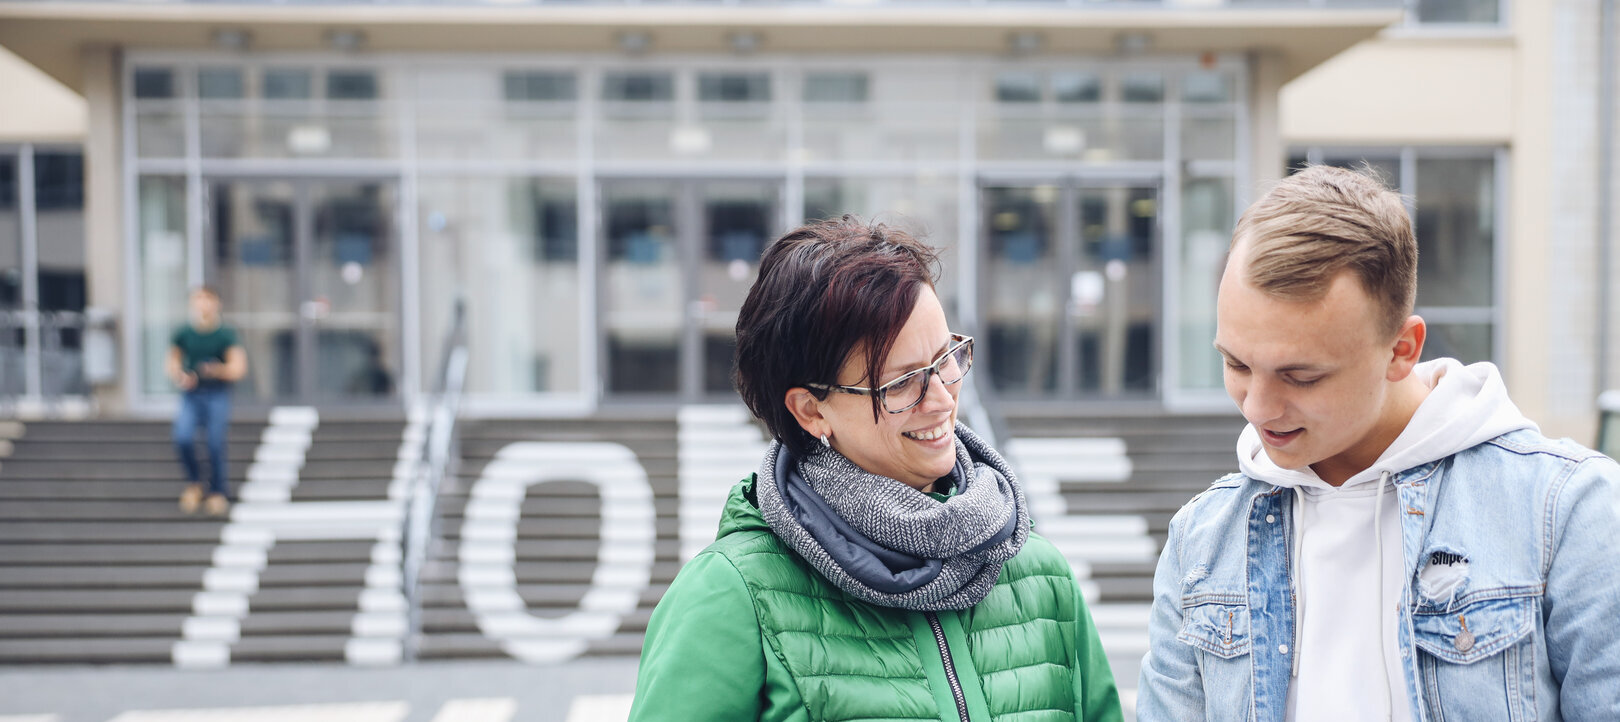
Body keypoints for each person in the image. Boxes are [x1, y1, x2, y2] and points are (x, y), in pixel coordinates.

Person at [1136, 165, 1620, 721]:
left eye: (1302, 376)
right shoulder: (1201, 539)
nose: (1258, 407)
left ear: (1401, 350)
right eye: (1236, 363)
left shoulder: (1566, 512)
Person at [630, 217, 1122, 722]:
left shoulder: (1039, 574)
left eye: (945, 358)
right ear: (810, 410)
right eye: (902, 383)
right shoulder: (732, 596)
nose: (941, 400)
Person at [167, 286, 247, 516]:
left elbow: (238, 368)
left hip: (216, 393)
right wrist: (180, 376)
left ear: (216, 303)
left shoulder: (226, 334)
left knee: (214, 442)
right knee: (182, 437)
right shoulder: (184, 333)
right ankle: (195, 483)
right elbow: (172, 361)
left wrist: (216, 370)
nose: (203, 304)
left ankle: (217, 491)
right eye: (199, 299)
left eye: (207, 299)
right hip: (191, 394)